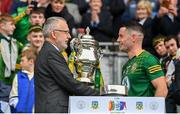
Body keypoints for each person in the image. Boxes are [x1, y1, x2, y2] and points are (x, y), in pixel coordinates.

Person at [34, 17, 99, 113]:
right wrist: (99, 95)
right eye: (66, 32)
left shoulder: (49, 51)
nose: (69, 36)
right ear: (54, 34)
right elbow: (70, 83)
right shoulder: (50, 53)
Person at [117, 21, 168, 97]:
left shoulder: (148, 60)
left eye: (121, 36)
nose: (118, 40)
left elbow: (162, 89)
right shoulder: (126, 65)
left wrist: (152, 108)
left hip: (143, 109)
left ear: (133, 37)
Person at [9, 47, 36, 113]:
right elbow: (13, 97)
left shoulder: (39, 78)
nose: (20, 63)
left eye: (22, 60)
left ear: (31, 61)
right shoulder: (18, 77)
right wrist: (19, 108)